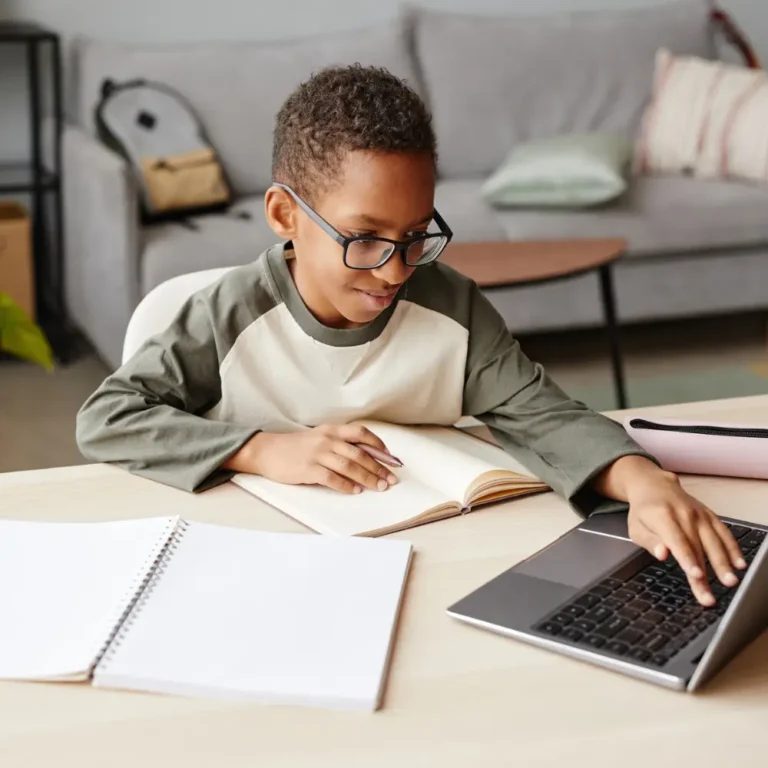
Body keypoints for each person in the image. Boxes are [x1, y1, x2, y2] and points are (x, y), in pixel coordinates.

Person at [76, 64, 744, 606]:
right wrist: (260, 451)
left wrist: (646, 482)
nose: (395, 269)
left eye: (416, 235)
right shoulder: (227, 314)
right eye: (364, 238)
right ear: (285, 215)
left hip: (423, 567)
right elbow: (109, 418)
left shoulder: (451, 307)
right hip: (252, 572)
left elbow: (543, 415)